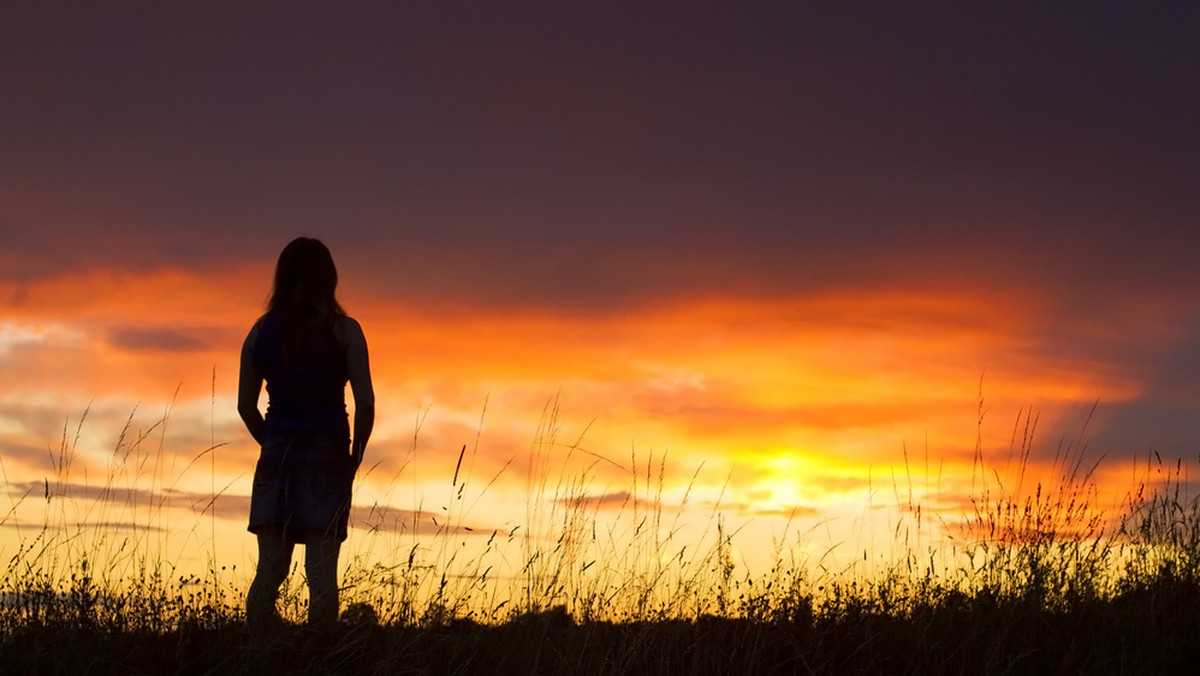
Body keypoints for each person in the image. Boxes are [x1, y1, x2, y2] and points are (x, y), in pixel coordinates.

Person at [238, 237, 375, 629]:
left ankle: (258, 653)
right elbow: (365, 403)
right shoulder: (345, 330)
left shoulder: (260, 332)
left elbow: (245, 406)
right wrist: (355, 456)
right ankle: (319, 660)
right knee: (321, 572)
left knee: (271, 568)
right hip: (328, 455)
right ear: (328, 278)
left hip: (276, 453)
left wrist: (273, 442)